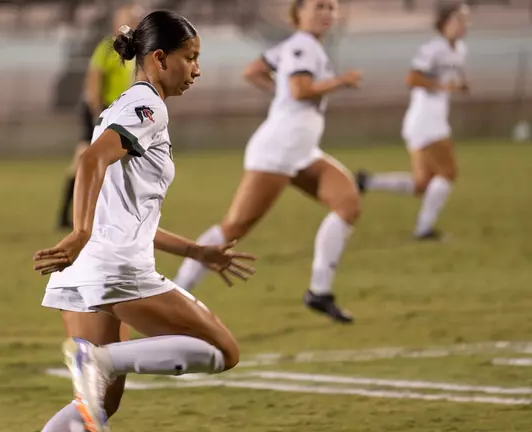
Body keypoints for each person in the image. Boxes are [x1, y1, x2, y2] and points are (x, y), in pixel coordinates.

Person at [34, 11, 256, 432]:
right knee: (222, 351)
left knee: (96, 406)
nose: (197, 69)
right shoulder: (147, 105)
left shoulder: (125, 108)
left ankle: (95, 364)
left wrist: (195, 251)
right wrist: (79, 232)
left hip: (85, 271)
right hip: (115, 267)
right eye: (189, 57)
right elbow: (91, 159)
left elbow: (122, 210)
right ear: (159, 58)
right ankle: (97, 359)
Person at [174, 0, 363, 324]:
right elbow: (300, 89)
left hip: (302, 151)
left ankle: (319, 291)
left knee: (347, 203)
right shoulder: (304, 47)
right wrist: (340, 82)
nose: (327, 13)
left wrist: (283, 96)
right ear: (298, 14)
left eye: (331, 8)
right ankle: (176, 294)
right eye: (318, 7)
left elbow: (254, 71)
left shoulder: (297, 47)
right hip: (279, 149)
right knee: (233, 228)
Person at [356, 3, 469, 241]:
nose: (462, 25)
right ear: (444, 23)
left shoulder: (459, 49)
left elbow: (451, 77)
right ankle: (423, 229)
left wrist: (460, 85)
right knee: (447, 173)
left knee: (423, 185)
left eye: (464, 20)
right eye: (457, 20)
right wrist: (441, 85)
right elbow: (412, 77)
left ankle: (368, 181)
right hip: (428, 123)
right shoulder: (432, 49)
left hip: (427, 123)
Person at [57, 4, 142, 229]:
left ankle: (110, 214)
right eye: (127, 20)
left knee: (115, 163)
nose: (131, 24)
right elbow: (94, 80)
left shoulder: (133, 51)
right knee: (83, 160)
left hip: (116, 112)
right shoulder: (107, 47)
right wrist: (98, 113)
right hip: (100, 111)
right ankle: (65, 214)